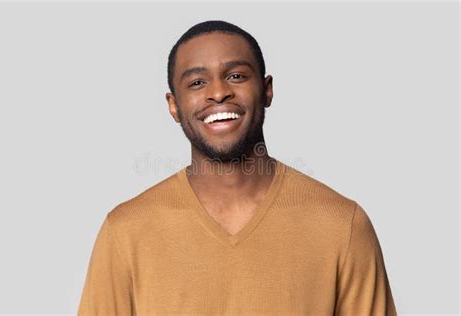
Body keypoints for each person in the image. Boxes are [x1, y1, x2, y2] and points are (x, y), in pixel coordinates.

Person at [78, 20, 397, 315]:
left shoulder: (342, 225)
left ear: (267, 89)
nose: (218, 93)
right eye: (197, 82)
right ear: (174, 106)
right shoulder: (124, 232)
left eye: (236, 76)